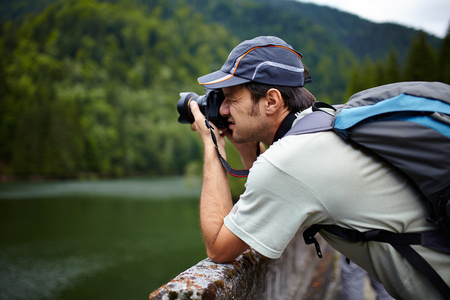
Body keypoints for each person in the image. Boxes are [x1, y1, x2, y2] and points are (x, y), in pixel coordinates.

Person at [188, 36, 449, 299]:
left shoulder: (289, 159)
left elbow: (219, 247)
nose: (221, 110)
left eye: (231, 98)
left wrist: (213, 147)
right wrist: (247, 149)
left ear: (271, 101)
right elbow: (278, 190)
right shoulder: (321, 122)